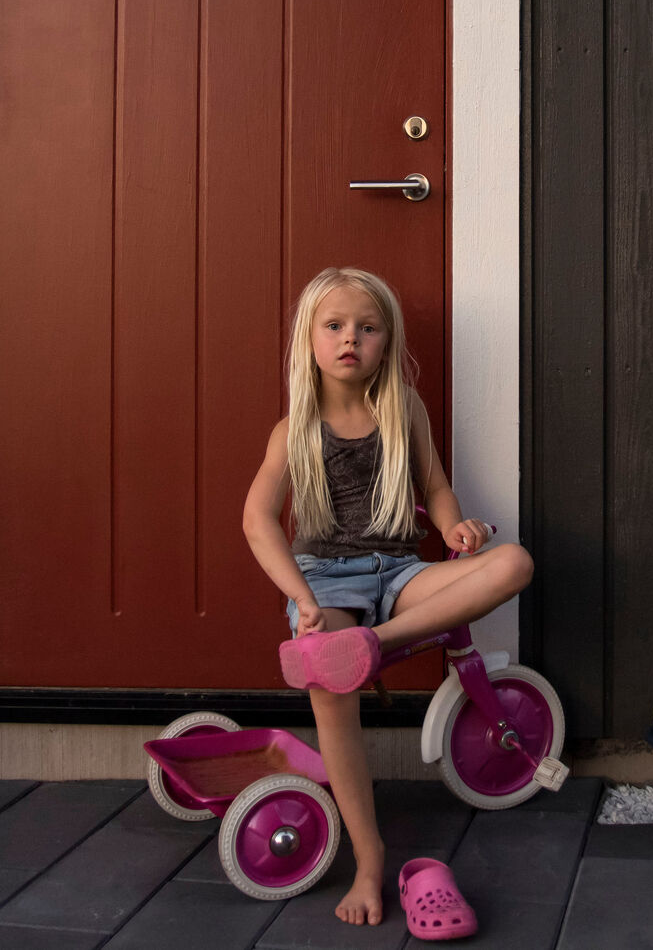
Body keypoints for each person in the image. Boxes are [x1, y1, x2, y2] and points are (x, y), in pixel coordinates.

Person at [242, 266, 533, 927]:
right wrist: (301, 599)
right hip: (324, 580)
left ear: (387, 341)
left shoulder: (404, 408)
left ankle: (371, 644)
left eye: (367, 328)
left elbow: (436, 488)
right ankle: (369, 857)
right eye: (335, 326)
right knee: (328, 675)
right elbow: (257, 520)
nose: (351, 338)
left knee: (513, 562)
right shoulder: (294, 429)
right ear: (310, 339)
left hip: (400, 574)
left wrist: (453, 527)